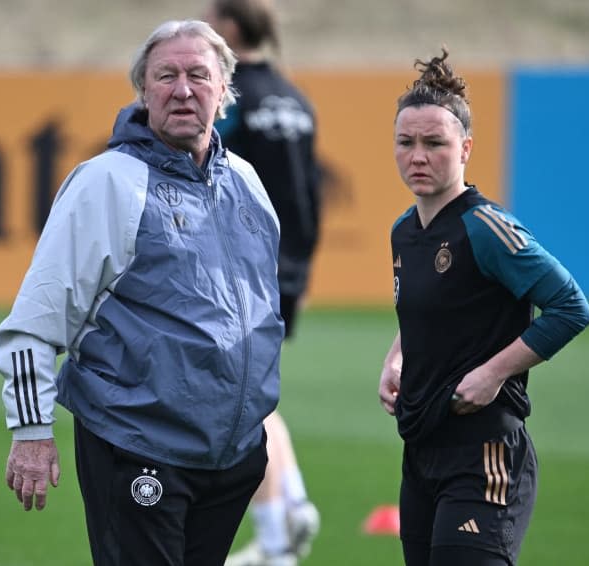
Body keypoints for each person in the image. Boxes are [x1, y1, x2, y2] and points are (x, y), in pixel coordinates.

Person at [0, 19, 285, 566]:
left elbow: (262, 306)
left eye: (199, 75)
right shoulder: (107, 181)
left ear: (224, 91)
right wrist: (31, 431)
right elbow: (35, 319)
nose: (182, 89)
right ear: (143, 91)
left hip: (230, 457)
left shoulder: (245, 179)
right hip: (136, 445)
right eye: (165, 75)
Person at [378, 48, 589, 566]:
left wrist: (492, 374)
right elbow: (428, 309)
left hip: (485, 451)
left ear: (466, 147)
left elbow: (570, 306)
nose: (418, 156)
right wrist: (396, 357)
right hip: (422, 449)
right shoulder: (404, 231)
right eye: (406, 143)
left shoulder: (487, 227)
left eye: (435, 143)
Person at [204, 2, 322, 565]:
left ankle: (278, 541)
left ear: (228, 27)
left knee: (241, 402)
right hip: (290, 264)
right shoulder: (295, 98)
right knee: (256, 392)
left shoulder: (228, 99)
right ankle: (293, 504)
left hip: (241, 266)